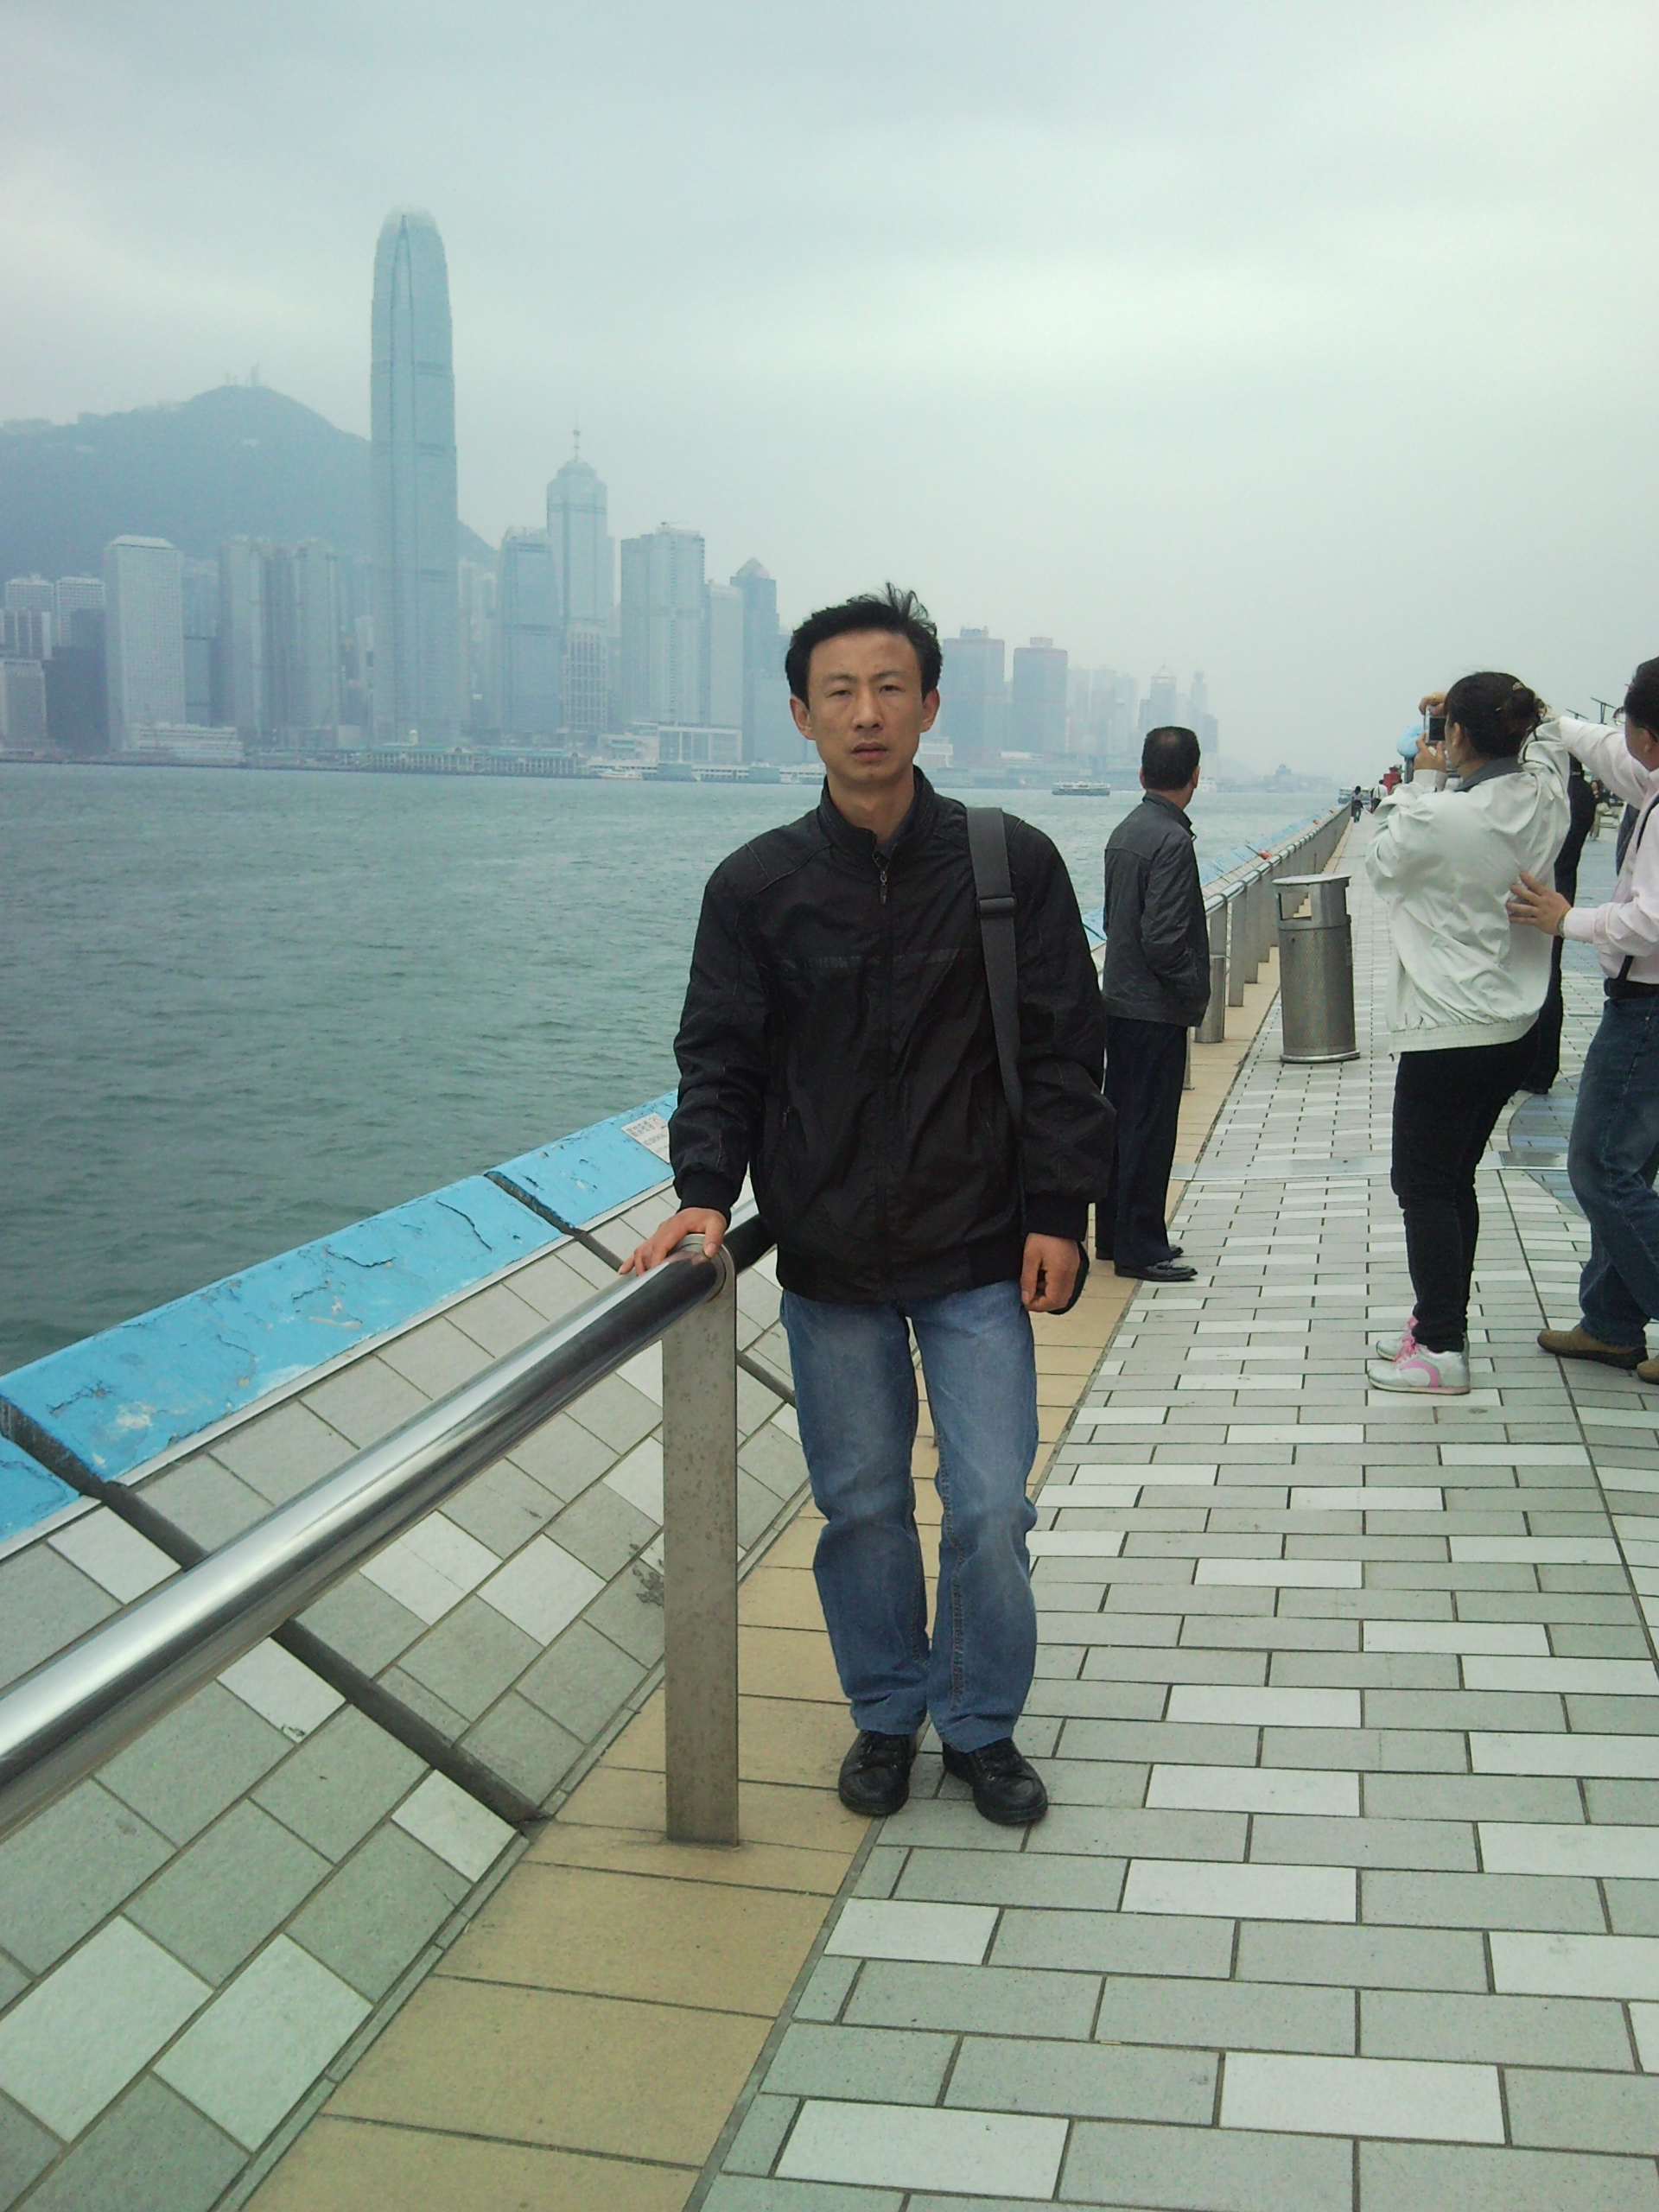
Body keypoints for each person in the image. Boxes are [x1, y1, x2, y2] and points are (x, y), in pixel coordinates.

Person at [623, 587, 1108, 1827]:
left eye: (890, 687)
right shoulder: (757, 886)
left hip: (979, 1248)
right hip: (831, 1259)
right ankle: (888, 1712)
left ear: (931, 705)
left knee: (991, 1503)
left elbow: (1066, 1047)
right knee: (863, 1508)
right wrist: (702, 1198)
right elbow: (719, 1057)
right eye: (837, 692)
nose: (866, 713)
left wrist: (1060, 1209)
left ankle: (980, 1722)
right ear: (800, 715)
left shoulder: (1009, 864)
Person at [1364, 674, 1567, 1394]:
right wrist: (1488, 707)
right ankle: (1437, 1320)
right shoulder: (1544, 798)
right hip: (1515, 1027)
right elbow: (1550, 738)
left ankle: (1441, 1351)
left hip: (1448, 1031)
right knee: (1455, 1180)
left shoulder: (1440, 815)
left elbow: (1382, 862)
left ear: (1455, 735)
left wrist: (1421, 781)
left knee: (1423, 1187)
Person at [1507, 660, 1659, 1379]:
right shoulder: (1651, 777)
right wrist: (1549, 719)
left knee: (1599, 1167)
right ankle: (1610, 1323)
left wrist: (1569, 920)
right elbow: (1603, 749)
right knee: (1627, 1165)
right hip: (1645, 1007)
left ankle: (1617, 1319)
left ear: (1647, 735)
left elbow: (1651, 920)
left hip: (1647, 1010)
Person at [1098, 727, 1208, 1284]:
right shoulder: (1172, 842)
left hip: (1119, 1003)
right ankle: (1140, 1247)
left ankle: (1113, 1234)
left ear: (1142, 773)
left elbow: (1114, 920)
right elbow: (1164, 938)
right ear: (1195, 776)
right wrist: (1191, 987)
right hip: (1154, 1009)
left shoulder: (1125, 832)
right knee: (1150, 1130)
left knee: (1121, 1126)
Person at [1523, 756, 1598, 1093]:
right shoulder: (1581, 792)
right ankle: (1543, 1068)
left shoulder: (1558, 792)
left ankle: (1535, 1068)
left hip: (1543, 893)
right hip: (1564, 887)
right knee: (1551, 975)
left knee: (1542, 978)